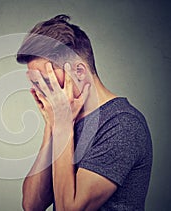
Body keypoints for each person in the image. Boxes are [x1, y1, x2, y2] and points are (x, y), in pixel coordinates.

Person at [16, 14, 153, 211]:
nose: (41, 92)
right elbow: (31, 205)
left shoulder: (123, 125)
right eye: (36, 84)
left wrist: (62, 126)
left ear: (79, 72)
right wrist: (51, 126)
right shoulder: (67, 119)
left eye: (47, 82)